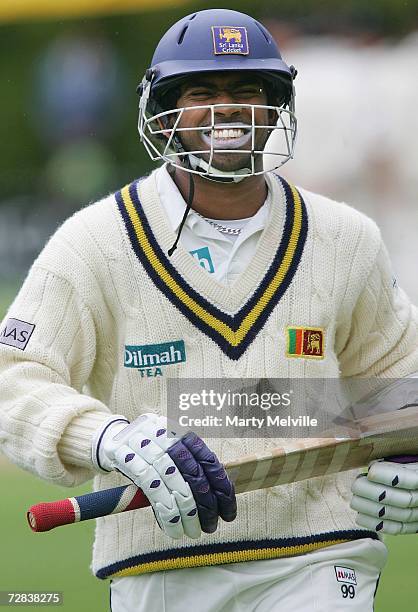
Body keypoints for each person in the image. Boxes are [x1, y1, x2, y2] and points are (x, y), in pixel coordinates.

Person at [1, 8, 418, 611]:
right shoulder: (93, 241)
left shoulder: (346, 237)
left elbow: (400, 382)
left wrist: (409, 454)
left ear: (277, 108)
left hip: (323, 554)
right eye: (202, 92)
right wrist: (110, 438)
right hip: (162, 561)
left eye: (247, 91)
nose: (227, 110)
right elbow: (16, 379)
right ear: (163, 110)